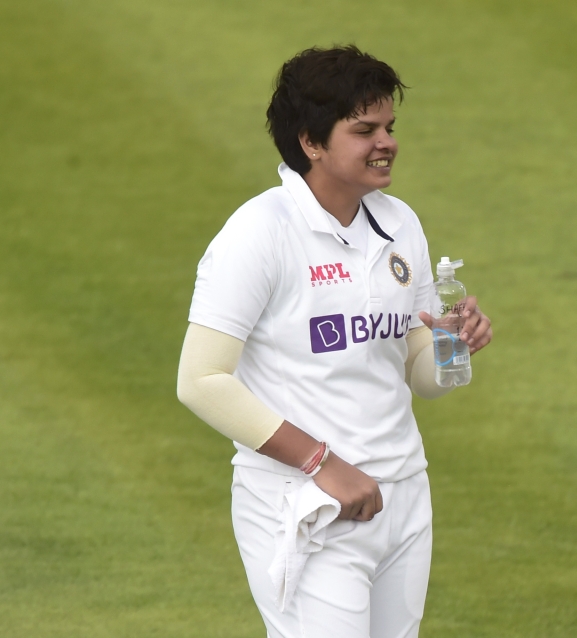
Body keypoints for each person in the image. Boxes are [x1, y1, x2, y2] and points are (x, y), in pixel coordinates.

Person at [177, 45, 492, 638]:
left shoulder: (400, 223)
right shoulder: (258, 233)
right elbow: (200, 380)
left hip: (402, 494)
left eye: (389, 127)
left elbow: (420, 370)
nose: (387, 142)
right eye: (364, 129)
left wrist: (453, 346)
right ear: (311, 142)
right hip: (306, 500)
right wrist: (322, 463)